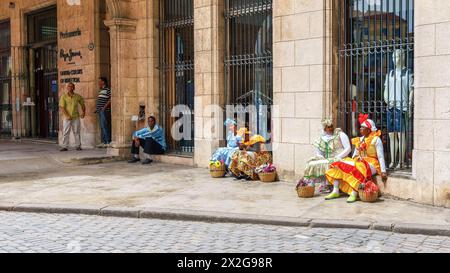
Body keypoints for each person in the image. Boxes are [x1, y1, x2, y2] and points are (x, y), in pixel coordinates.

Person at [325, 114, 388, 203]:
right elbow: (354, 155)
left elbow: (381, 156)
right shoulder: (360, 139)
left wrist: (383, 171)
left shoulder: (376, 139)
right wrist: (355, 157)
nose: (360, 129)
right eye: (360, 127)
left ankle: (354, 193)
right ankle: (335, 190)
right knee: (339, 163)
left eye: (362, 128)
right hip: (359, 161)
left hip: (372, 164)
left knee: (360, 167)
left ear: (368, 129)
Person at [303, 119, 351, 192]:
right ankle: (310, 188)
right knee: (311, 163)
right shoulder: (322, 138)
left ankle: (332, 187)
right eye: (328, 127)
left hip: (341, 158)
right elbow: (319, 152)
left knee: (332, 164)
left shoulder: (340, 134)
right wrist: (320, 157)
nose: (331, 128)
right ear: (324, 128)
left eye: (331, 126)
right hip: (327, 159)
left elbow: (348, 148)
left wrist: (337, 157)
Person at [59, 82, 86, 152]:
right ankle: (64, 146)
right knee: (65, 132)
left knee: (76, 132)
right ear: (67, 88)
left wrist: (83, 112)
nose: (70, 88)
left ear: (74, 88)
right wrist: (67, 115)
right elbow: (62, 107)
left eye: (71, 86)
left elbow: (83, 104)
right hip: (67, 118)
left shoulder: (77, 96)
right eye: (69, 86)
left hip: (76, 117)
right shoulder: (63, 96)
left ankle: (78, 146)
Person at [95, 77, 112, 148]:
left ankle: (108, 142)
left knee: (105, 126)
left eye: (99, 81)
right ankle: (104, 142)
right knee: (102, 127)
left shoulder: (107, 90)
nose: (98, 83)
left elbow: (111, 99)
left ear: (103, 82)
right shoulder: (101, 90)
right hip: (100, 111)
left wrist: (104, 108)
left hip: (104, 111)